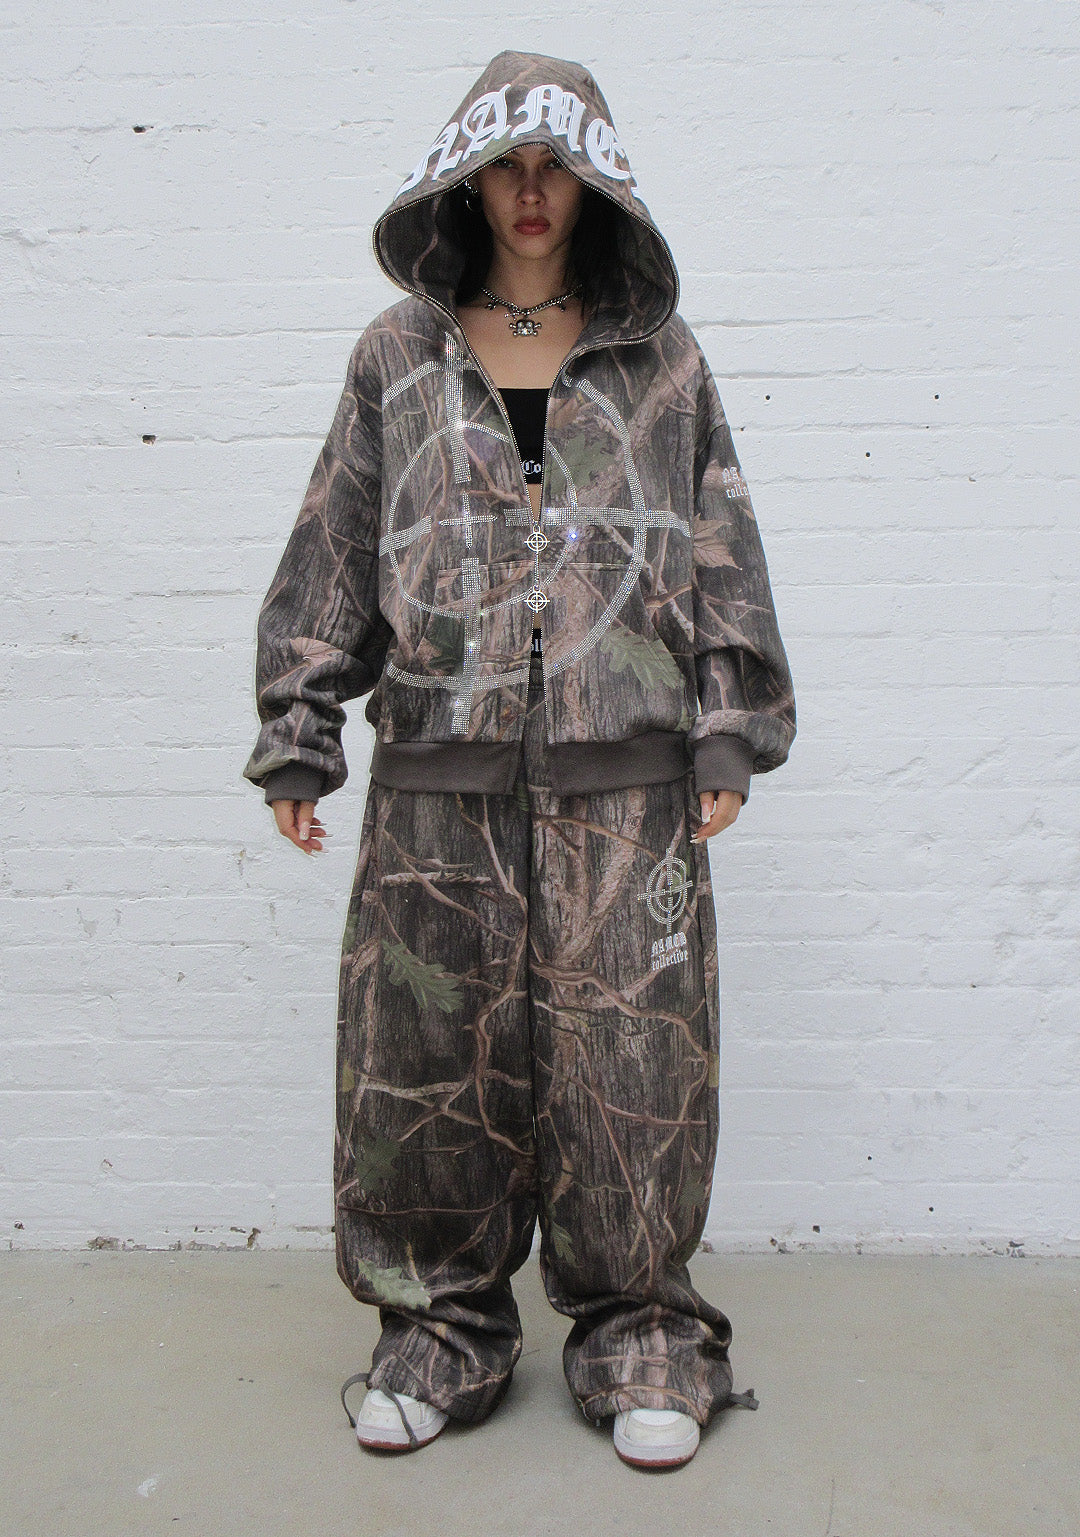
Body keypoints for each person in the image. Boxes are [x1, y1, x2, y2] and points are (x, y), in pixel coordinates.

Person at [243, 50, 795, 1470]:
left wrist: (726, 724)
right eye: (507, 164)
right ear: (468, 178)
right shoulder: (397, 353)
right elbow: (337, 540)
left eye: (558, 166)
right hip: (440, 781)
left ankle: (643, 1334)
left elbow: (720, 544)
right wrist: (301, 727)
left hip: (628, 788)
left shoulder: (663, 360)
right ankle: (439, 1329)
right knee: (427, 1062)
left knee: (635, 1067)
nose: (532, 192)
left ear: (597, 182)